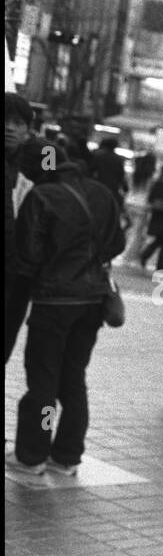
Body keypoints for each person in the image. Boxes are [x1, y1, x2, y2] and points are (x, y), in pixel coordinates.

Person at [6, 143, 124, 476]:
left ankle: (32, 454)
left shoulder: (42, 196)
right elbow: (118, 243)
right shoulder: (102, 193)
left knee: (43, 380)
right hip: (93, 302)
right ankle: (67, 455)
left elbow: (27, 257)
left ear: (36, 169)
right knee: (73, 378)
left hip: (53, 302)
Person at [5, 93, 36, 364]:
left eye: (17, 122)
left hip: (16, 278)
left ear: (28, 131)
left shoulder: (35, 163)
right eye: (5, 120)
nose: (9, 127)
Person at [87, 137, 127, 202]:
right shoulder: (119, 159)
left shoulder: (98, 156)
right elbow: (121, 175)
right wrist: (124, 187)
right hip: (112, 188)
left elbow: (90, 171)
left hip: (99, 185)